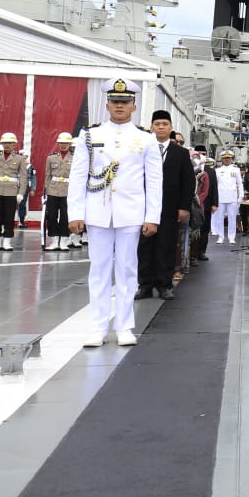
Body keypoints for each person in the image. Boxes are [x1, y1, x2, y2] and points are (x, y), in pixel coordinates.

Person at [69, 77, 162, 347]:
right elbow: (77, 177)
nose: (120, 106)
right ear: (107, 105)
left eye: (125, 102)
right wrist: (76, 212)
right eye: (115, 101)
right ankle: (98, 327)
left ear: (134, 106)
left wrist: (152, 217)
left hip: (131, 213)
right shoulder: (90, 135)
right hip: (97, 210)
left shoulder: (145, 138)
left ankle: (124, 326)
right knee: (98, 270)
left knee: (127, 269)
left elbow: (154, 181)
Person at [137, 111, 194, 301]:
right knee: (144, 248)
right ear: (151, 127)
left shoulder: (181, 153)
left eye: (164, 124)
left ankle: (164, 285)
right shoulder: (142, 149)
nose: (161, 127)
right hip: (144, 209)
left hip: (170, 208)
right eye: (157, 124)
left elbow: (188, 181)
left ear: (170, 128)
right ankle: (144, 285)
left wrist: (184, 206)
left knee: (166, 247)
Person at [0, 132, 29, 251]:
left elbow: (24, 177)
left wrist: (21, 193)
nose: (7, 145)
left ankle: (7, 241)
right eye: (5, 143)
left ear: (14, 144)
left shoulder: (20, 158)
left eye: (10, 143)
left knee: (9, 216)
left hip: (11, 190)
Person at [43, 133, 76, 250]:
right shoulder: (51, 157)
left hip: (68, 190)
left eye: (66, 143)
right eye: (61, 143)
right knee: (51, 216)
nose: (63, 145)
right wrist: (45, 192)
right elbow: (47, 175)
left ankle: (63, 240)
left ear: (69, 144)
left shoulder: (75, 158)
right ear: (58, 144)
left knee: (65, 216)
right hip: (53, 189)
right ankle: (54, 240)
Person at [213, 150, 243, 244]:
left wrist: (241, 196)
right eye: (225, 158)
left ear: (231, 159)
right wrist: (215, 198)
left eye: (228, 158)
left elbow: (239, 183)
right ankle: (220, 237)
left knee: (232, 218)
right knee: (219, 218)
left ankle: (231, 237)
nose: (226, 160)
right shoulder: (217, 171)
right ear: (222, 159)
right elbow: (215, 185)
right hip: (220, 197)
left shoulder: (236, 170)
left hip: (232, 197)